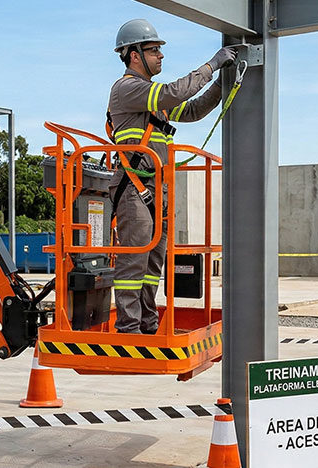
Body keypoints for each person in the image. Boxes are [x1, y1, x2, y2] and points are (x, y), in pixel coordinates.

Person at [106, 18, 234, 334]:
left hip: (156, 189)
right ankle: (129, 329)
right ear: (133, 54)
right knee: (135, 260)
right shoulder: (128, 89)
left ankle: (147, 324)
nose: (161, 55)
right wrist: (212, 65)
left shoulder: (151, 98)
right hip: (135, 187)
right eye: (154, 50)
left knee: (152, 265)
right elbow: (176, 93)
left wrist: (221, 83)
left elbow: (191, 110)